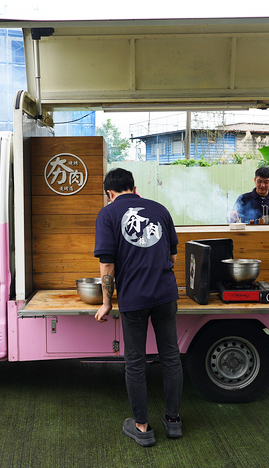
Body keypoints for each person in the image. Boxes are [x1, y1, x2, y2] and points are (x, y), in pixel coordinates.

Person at [94, 168, 183, 447]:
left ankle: (143, 428)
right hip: (166, 295)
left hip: (134, 299)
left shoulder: (107, 214)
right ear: (134, 187)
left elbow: (107, 264)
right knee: (170, 356)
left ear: (109, 192)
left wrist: (107, 302)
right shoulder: (159, 209)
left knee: (135, 361)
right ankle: (173, 420)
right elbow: (172, 256)